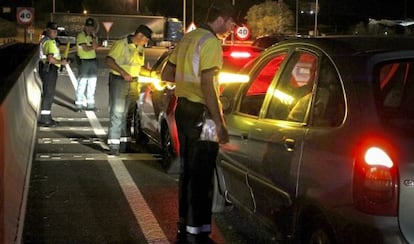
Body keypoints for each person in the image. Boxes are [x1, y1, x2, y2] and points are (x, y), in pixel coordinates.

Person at [161, 1, 238, 243]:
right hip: (202, 117)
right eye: (232, 23)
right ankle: (199, 234)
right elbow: (207, 84)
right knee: (202, 175)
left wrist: (185, 85)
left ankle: (185, 228)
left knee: (187, 172)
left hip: (184, 110)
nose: (233, 28)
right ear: (223, 19)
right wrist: (220, 122)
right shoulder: (211, 42)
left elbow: (166, 74)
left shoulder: (188, 38)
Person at [105, 24, 153, 156]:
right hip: (119, 81)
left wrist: (151, 74)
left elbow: (138, 67)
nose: (146, 42)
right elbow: (109, 61)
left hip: (133, 82)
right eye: (146, 39)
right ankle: (114, 145)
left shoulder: (140, 48)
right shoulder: (121, 44)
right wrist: (122, 73)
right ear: (139, 35)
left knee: (128, 114)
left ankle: (124, 144)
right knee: (117, 112)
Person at [38, 21, 68, 127]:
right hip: (49, 69)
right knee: (49, 94)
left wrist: (61, 59)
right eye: (53, 30)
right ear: (47, 30)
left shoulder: (48, 41)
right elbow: (50, 59)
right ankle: (45, 119)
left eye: (56, 31)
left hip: (47, 69)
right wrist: (61, 62)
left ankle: (47, 117)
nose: (55, 32)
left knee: (48, 93)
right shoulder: (49, 42)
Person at [74, 17, 99, 112]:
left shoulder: (92, 37)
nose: (90, 29)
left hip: (93, 61)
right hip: (84, 61)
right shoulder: (81, 36)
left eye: (91, 27)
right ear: (85, 27)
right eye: (88, 26)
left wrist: (94, 38)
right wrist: (92, 46)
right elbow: (85, 49)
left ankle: (90, 105)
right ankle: (78, 105)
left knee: (92, 83)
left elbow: (95, 47)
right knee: (82, 83)